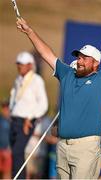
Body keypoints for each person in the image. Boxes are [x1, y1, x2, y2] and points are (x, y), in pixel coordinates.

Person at [16, 10, 101, 179]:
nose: (79, 61)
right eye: (78, 57)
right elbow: (46, 54)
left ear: (95, 63)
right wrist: (29, 31)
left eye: (84, 58)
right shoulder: (67, 74)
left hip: (86, 148)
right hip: (63, 146)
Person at [9, 51, 48, 179]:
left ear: (30, 65)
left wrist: (30, 118)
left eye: (22, 64)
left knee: (18, 152)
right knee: (15, 154)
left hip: (26, 121)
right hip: (14, 121)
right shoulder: (18, 79)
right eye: (18, 64)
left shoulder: (36, 80)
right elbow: (14, 98)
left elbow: (43, 104)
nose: (19, 66)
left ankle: (19, 178)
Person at [0, 101, 12, 179]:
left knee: (7, 172)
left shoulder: (13, 121)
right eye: (3, 107)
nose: (5, 110)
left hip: (8, 151)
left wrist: (9, 149)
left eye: (7, 107)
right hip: (0, 150)